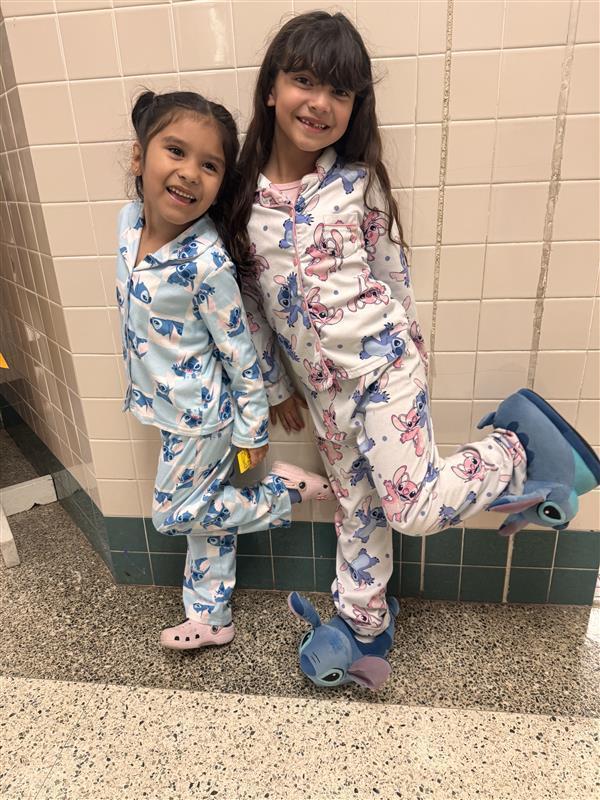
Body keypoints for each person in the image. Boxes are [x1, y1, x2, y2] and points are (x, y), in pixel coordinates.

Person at [232, 12, 600, 689]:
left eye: (339, 92)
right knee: (358, 508)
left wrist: (413, 361)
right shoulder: (243, 201)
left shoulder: (355, 185)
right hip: (323, 392)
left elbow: (392, 275)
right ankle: (363, 622)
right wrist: (276, 385)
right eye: (305, 82)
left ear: (354, 107)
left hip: (383, 372)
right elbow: (250, 305)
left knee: (412, 507)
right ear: (271, 89)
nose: (319, 103)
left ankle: (517, 449)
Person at [116, 91, 334, 652]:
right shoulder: (128, 223)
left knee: (173, 515)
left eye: (209, 165)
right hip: (166, 407)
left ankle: (283, 492)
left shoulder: (206, 262)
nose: (190, 173)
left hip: (204, 419)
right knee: (205, 523)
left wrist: (252, 429)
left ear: (220, 182)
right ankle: (211, 618)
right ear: (139, 157)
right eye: (175, 151)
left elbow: (240, 349)